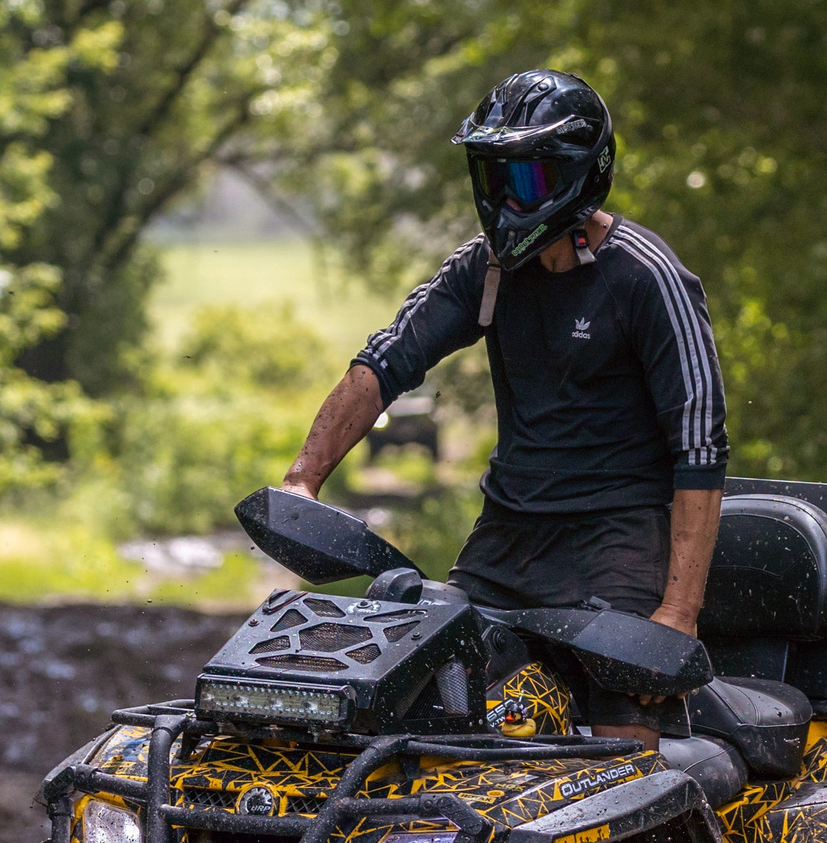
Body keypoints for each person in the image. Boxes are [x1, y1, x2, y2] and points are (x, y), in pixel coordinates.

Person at [280, 69, 726, 743]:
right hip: (504, 541)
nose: (506, 199)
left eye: (526, 180)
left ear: (581, 173)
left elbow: (701, 449)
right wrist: (303, 480)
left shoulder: (648, 277)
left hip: (618, 544)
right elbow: (385, 360)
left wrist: (678, 612)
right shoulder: (485, 269)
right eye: (494, 178)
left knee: (620, 765)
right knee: (419, 712)